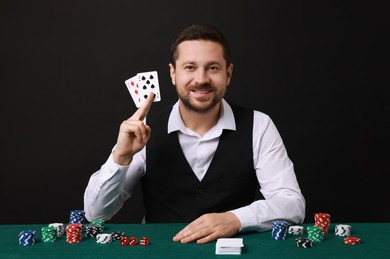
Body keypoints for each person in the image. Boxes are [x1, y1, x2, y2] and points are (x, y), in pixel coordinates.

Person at [84, 24, 305, 244]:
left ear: (228, 74)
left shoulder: (259, 125)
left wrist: (235, 219)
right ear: (173, 73)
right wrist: (121, 158)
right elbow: (96, 214)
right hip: (159, 253)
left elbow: (292, 203)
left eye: (213, 68)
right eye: (190, 67)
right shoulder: (144, 128)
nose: (201, 79)